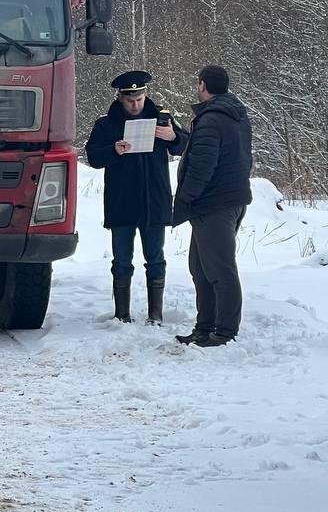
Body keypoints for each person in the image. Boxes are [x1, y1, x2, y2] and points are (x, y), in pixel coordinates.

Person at [85, 71, 188, 324]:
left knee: (156, 259)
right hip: (122, 202)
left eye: (140, 99)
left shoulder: (161, 119)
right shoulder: (106, 124)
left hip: (154, 200)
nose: (135, 104)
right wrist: (113, 150)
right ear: (120, 98)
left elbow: (184, 144)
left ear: (146, 95)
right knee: (121, 260)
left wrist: (173, 137)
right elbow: (93, 157)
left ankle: (156, 315)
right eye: (130, 100)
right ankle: (122, 315)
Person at [172, 65, 253, 348]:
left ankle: (225, 331)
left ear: (202, 84)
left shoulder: (212, 119)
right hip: (226, 200)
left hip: (214, 204)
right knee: (200, 267)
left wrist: (187, 196)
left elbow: (202, 165)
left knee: (220, 270)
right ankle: (204, 327)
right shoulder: (236, 116)